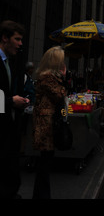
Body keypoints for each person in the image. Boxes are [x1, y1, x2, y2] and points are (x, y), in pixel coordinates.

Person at [32, 46, 67, 199]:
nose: (64, 64)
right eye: (61, 61)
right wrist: (64, 76)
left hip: (48, 125)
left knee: (45, 165)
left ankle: (40, 195)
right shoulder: (48, 78)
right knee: (44, 166)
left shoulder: (50, 77)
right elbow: (60, 94)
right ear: (56, 62)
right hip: (46, 127)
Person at [0, 20, 29, 199]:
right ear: (4, 38)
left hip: (8, 128)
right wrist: (11, 101)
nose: (20, 44)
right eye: (17, 39)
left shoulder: (9, 62)